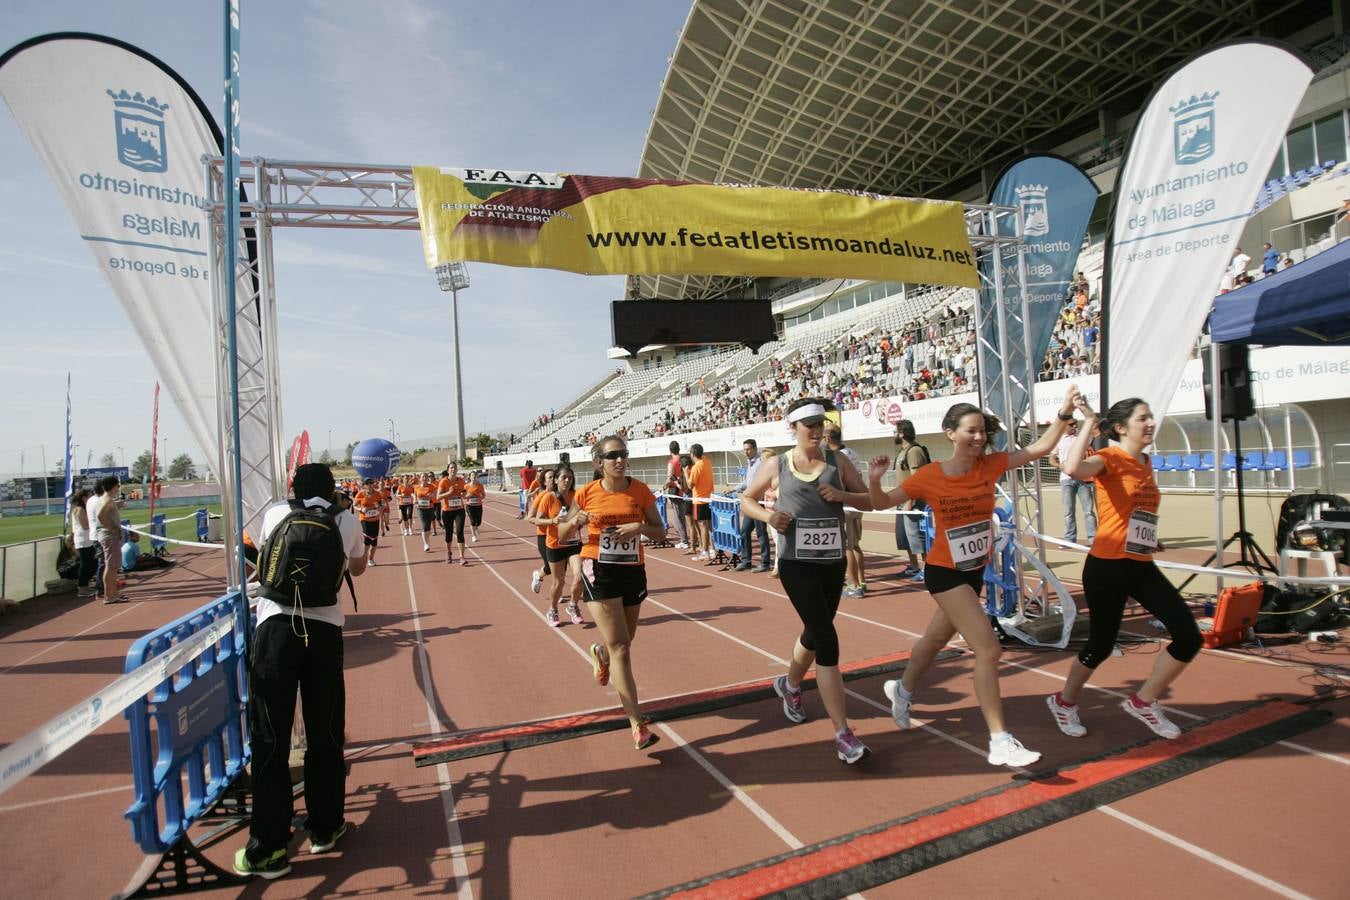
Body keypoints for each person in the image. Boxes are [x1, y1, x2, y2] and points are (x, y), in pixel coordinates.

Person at [866, 387, 1085, 768]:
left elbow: (1038, 448)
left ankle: (901, 689)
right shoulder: (929, 476)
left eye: (982, 430)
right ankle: (999, 739)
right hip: (943, 573)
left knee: (935, 640)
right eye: (970, 430)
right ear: (950, 432)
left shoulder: (991, 465)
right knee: (989, 649)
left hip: (972, 573)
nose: (979, 437)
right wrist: (874, 479)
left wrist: (1065, 413)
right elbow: (883, 503)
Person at [233, 463, 367, 880]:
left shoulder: (275, 514)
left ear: (294, 488)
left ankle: (268, 848)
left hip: (274, 630)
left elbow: (254, 551)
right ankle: (325, 828)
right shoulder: (346, 520)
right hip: (323, 632)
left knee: (269, 735)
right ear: (332, 490)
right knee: (324, 730)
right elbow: (358, 569)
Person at [1045, 396, 1202, 741]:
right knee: (1101, 644)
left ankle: (1143, 701)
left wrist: (1147, 538)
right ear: (1121, 427)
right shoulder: (1108, 458)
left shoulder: (1145, 461)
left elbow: (1136, 512)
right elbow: (1072, 470)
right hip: (1107, 566)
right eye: (1142, 418)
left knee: (1189, 636)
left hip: (1140, 564)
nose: (1150, 423)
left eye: (1151, 417)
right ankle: (1063, 701)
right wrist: (1089, 421)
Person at [741, 398, 873, 763]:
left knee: (815, 633)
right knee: (828, 641)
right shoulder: (777, 464)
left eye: (820, 423)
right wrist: (769, 518)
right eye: (808, 425)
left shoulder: (838, 460)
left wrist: (843, 495)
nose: (816, 430)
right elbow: (746, 500)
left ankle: (789, 684)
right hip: (795, 564)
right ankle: (843, 734)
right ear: (793, 428)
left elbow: (868, 500)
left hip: (831, 562)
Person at [558, 436, 667, 750]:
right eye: (612, 456)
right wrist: (575, 520)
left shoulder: (640, 491)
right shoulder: (587, 493)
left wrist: (639, 528)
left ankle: (599, 654)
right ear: (599, 463)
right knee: (622, 647)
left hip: (632, 568)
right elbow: (563, 532)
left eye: (623, 454)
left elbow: (659, 530)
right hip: (599, 569)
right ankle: (637, 725)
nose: (619, 460)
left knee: (624, 640)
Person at [536, 465, 586, 627]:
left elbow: (582, 516)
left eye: (570, 478)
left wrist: (582, 520)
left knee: (580, 576)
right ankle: (553, 609)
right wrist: (552, 521)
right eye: (564, 477)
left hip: (573, 543)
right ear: (556, 480)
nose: (567, 481)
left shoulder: (576, 496)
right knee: (559, 582)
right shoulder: (548, 498)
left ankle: (573, 605)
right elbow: (537, 520)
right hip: (555, 545)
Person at [823, 424, 866, 597]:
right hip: (856, 503)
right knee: (855, 545)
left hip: (847, 505)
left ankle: (854, 586)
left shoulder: (839, 457)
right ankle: (861, 582)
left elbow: (840, 483)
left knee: (847, 547)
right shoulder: (851, 452)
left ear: (827, 438)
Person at [891, 420, 930, 581]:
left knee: (918, 537)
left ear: (902, 433)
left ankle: (928, 569)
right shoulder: (903, 450)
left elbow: (917, 478)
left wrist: (910, 500)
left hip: (913, 502)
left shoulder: (914, 451)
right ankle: (914, 567)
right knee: (904, 537)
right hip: (903, 500)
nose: (893, 434)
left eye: (895, 431)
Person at [725, 439, 771, 573]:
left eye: (748, 449)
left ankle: (765, 562)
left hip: (759, 503)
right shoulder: (750, 462)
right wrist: (733, 488)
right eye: (744, 449)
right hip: (751, 503)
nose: (746, 452)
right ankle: (746, 561)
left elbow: (763, 481)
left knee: (761, 534)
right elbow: (747, 482)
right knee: (744, 532)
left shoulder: (761, 462)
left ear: (755, 449)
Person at [1051, 417, 1097, 546]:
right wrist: (1058, 465)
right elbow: (1052, 458)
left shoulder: (1081, 437)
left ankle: (1093, 539)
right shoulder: (1059, 440)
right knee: (1068, 511)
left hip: (1082, 478)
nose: (1074, 426)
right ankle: (1070, 539)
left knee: (1088, 511)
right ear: (1065, 425)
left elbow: (1092, 435)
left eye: (1076, 424)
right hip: (1066, 479)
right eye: (1071, 424)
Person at [92, 475, 128, 604]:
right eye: (117, 486)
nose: (118, 488)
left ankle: (113, 593)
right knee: (111, 566)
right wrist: (112, 529)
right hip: (109, 536)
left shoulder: (106, 499)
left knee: (112, 566)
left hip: (108, 535)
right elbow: (100, 515)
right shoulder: (107, 500)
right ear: (113, 487)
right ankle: (108, 596)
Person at [527, 469, 556, 593]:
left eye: (554, 476)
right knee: (550, 567)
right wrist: (547, 521)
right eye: (550, 477)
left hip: (558, 536)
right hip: (543, 535)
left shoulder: (561, 495)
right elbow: (530, 518)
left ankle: (556, 589)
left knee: (560, 567)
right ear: (544, 481)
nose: (553, 479)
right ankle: (538, 576)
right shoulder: (541, 496)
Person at [436, 464, 469, 566]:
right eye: (451, 468)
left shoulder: (461, 481)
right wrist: (449, 493)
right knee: (449, 533)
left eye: (455, 468)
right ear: (448, 470)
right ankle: (449, 553)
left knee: (460, 532)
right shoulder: (444, 481)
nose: (453, 469)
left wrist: (464, 495)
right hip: (447, 511)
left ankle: (462, 557)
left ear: (457, 470)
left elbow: (464, 494)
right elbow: (438, 497)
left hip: (459, 510)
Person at [68, 488, 97, 599]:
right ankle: (82, 588)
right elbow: (85, 526)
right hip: (83, 540)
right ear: (84, 497)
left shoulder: (82, 509)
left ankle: (86, 586)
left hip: (87, 539)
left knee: (91, 563)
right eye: (89, 496)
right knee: (85, 564)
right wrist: (97, 523)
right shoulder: (79, 509)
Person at [688, 443, 714, 560]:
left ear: (693, 454)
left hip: (699, 499)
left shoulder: (696, 467)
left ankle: (705, 551)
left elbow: (690, 485)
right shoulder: (707, 462)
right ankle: (713, 549)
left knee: (703, 526)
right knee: (709, 526)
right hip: (709, 498)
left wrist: (685, 472)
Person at [354, 479, 383, 566]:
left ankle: (371, 559)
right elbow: (354, 505)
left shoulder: (378, 494)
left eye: (371, 483)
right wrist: (361, 509)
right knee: (367, 540)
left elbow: (381, 505)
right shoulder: (360, 494)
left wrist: (379, 507)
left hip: (375, 519)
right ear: (364, 485)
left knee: (374, 542)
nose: (370, 485)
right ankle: (363, 558)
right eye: (367, 483)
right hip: (364, 519)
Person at [414, 473, 438, 551]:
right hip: (420, 508)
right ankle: (425, 543)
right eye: (423, 477)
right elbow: (415, 495)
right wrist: (415, 500)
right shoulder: (416, 487)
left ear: (427, 478)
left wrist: (432, 495)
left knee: (428, 526)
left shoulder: (432, 486)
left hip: (430, 508)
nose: (424, 478)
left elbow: (435, 495)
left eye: (426, 477)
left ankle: (427, 540)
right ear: (420, 478)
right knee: (424, 526)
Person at [464, 470, 486, 543]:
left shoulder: (480, 485)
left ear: (477, 477)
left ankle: (476, 527)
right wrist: (468, 495)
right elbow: (463, 496)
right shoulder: (466, 486)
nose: (473, 477)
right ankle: (473, 536)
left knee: (479, 522)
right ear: (470, 477)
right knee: (473, 521)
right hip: (469, 505)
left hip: (478, 505)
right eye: (472, 475)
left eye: (475, 475)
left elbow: (483, 495)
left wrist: (480, 497)